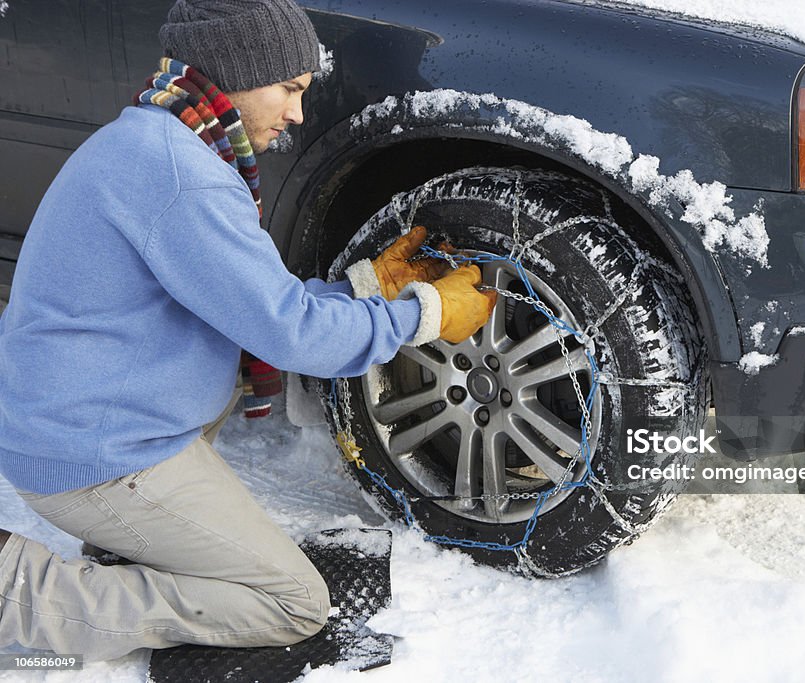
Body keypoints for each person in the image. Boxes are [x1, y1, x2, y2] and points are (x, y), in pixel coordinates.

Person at [0, 0, 495, 660]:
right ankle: (23, 595)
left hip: (88, 413)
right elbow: (287, 332)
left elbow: (250, 303)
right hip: (92, 453)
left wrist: (368, 289)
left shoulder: (161, 139)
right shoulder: (182, 177)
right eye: (289, 89)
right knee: (290, 603)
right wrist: (426, 314)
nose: (296, 115)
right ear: (236, 70)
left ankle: (128, 535)